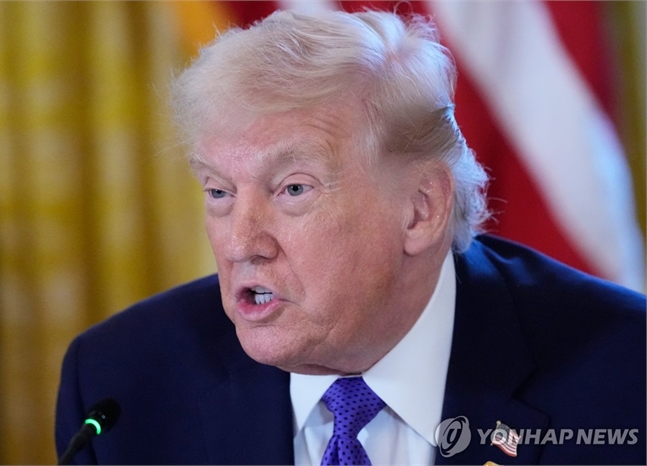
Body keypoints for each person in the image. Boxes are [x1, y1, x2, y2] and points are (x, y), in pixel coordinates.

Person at [55, 9, 645, 465]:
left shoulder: (625, 375)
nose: (240, 244)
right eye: (219, 192)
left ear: (420, 210)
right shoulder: (121, 383)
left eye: (293, 189)